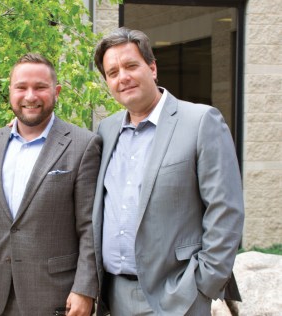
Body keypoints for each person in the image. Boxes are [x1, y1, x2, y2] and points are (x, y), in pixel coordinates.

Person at [92, 27, 245, 316]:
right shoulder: (107, 130)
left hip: (177, 295)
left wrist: (203, 285)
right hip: (113, 296)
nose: (122, 77)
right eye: (112, 72)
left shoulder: (200, 121)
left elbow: (226, 210)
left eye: (131, 66)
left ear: (152, 67)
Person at [0, 53, 101, 316]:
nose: (30, 96)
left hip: (59, 297)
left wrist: (85, 288)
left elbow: (89, 227)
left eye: (40, 87)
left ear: (56, 91)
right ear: (10, 91)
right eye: (21, 87)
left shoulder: (83, 145)